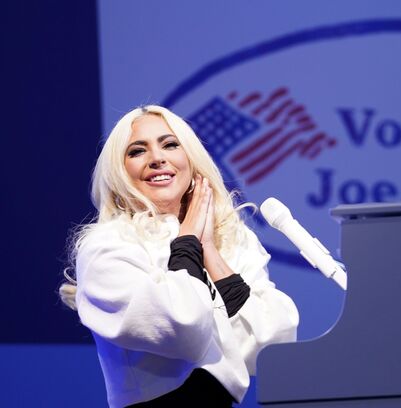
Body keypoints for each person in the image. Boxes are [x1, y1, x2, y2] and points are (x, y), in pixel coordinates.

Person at [59, 105, 299, 407]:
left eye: (170, 144)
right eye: (137, 151)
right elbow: (182, 330)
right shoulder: (106, 246)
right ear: (119, 172)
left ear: (191, 158)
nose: (157, 158)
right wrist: (187, 243)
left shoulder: (232, 240)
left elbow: (272, 345)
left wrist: (208, 249)